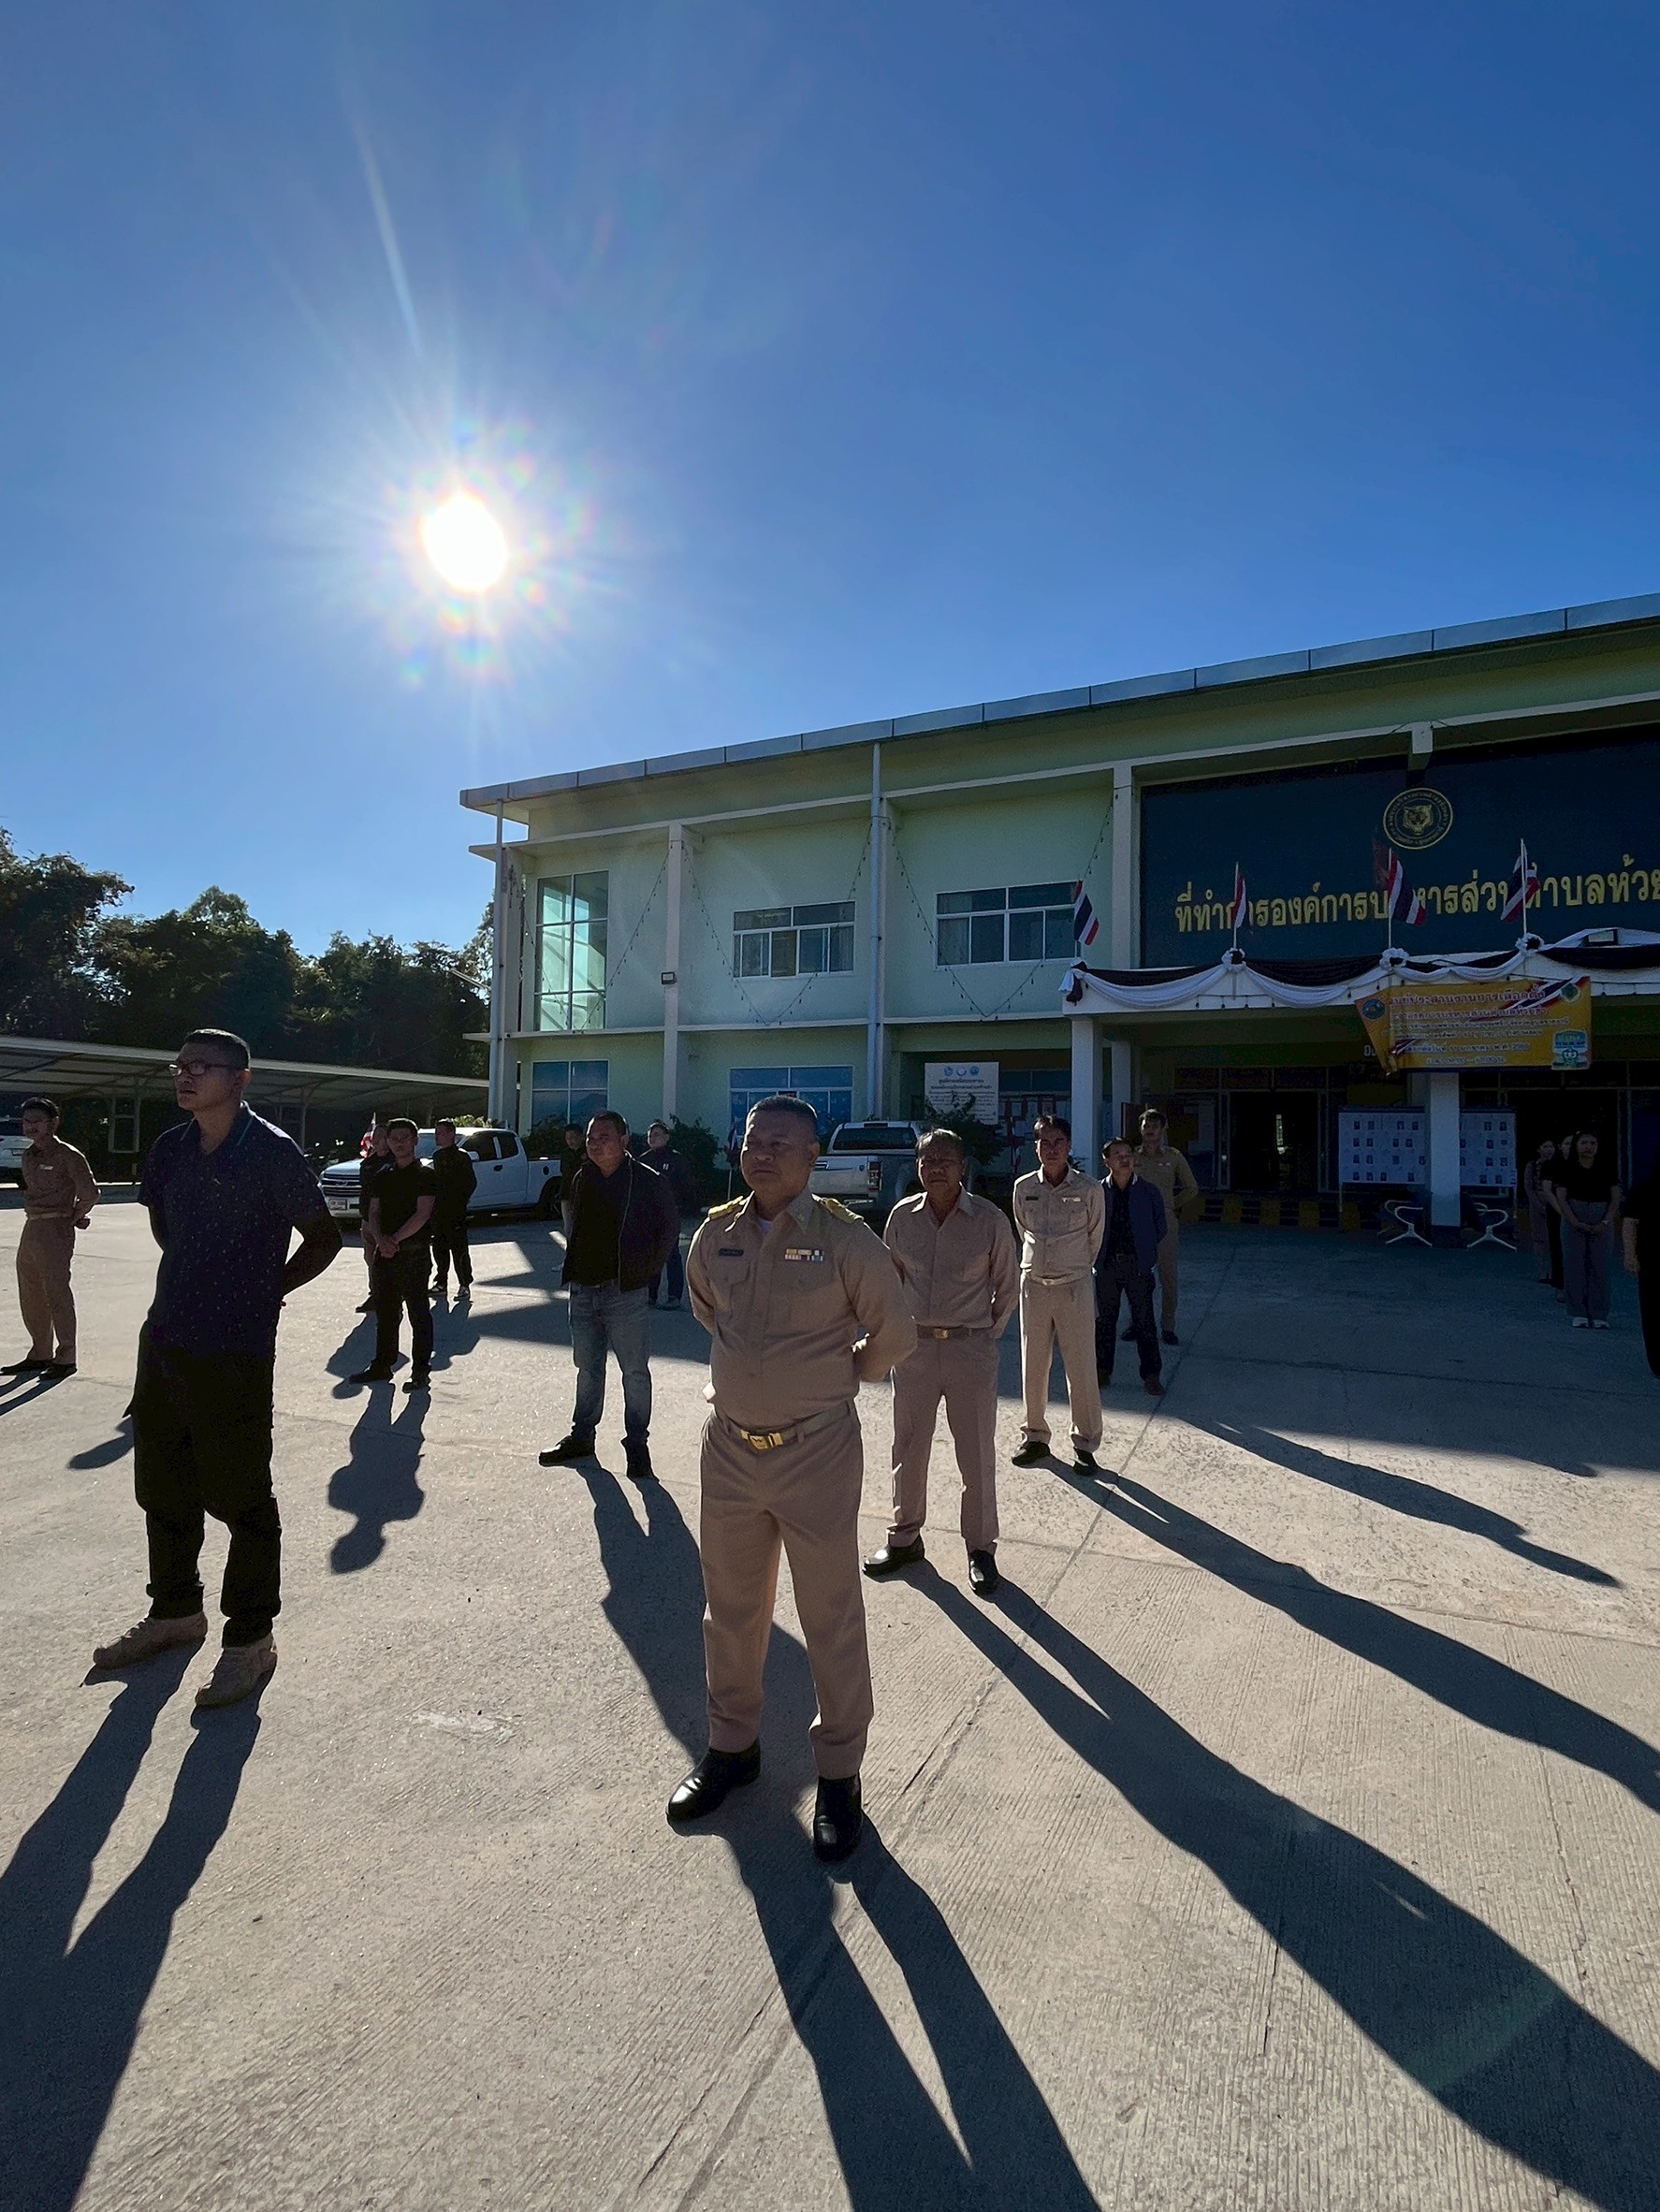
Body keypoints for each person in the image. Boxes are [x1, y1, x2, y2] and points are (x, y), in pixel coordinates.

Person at [669, 1096, 916, 1862]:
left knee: (829, 1614)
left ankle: (839, 1773)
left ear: (813, 1157)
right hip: (730, 1452)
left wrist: (833, 1377)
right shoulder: (716, 1233)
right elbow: (708, 1312)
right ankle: (732, 1747)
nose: (764, 1152)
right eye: (754, 1139)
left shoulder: (845, 1238)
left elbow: (894, 1333)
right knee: (730, 1611)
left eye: (781, 1142)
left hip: (816, 1453)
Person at [93, 1028, 341, 1708]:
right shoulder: (170, 1148)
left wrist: (264, 1290)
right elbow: (164, 1228)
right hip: (166, 1335)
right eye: (180, 1065)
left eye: (201, 1066)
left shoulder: (272, 1151)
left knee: (241, 1495)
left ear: (239, 1080)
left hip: (235, 1347)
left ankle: (251, 1639)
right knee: (162, 1485)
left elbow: (324, 1238)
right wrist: (195, 1276)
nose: (185, 1075)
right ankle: (175, 1611)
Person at [866, 1128, 1018, 1596]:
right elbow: (890, 1282)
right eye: (927, 1160)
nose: (935, 1169)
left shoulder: (989, 1220)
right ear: (917, 1167)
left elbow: (1007, 1285)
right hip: (914, 1350)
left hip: (970, 1349)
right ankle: (905, 1537)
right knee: (908, 1448)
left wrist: (984, 1336)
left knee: (975, 1452)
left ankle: (980, 1548)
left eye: (945, 1160)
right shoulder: (901, 1218)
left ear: (963, 1167)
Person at [539, 1112, 677, 1479]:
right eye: (591, 1138)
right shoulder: (583, 1177)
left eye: (604, 1137)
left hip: (624, 1291)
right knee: (587, 1369)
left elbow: (669, 1230)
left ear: (624, 1140)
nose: (595, 1144)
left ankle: (637, 1444)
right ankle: (582, 1436)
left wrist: (645, 1272)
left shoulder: (648, 1180)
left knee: (634, 1372)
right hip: (583, 1288)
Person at [1011, 1114, 1105, 1472]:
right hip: (1034, 1287)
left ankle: (1085, 1443)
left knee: (1081, 1367)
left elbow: (1094, 1238)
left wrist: (1070, 1264)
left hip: (1073, 1288)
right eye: (1044, 1143)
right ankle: (1035, 1436)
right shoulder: (1023, 1188)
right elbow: (1024, 1231)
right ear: (1035, 1147)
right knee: (1033, 1365)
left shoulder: (1089, 1189)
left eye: (1058, 1142)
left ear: (1069, 1146)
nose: (1051, 1150)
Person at [4, 1096, 98, 1379]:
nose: (30, 1126)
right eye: (26, 1121)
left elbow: (90, 1193)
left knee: (57, 1292)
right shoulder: (28, 1156)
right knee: (30, 1291)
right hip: (31, 1226)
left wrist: (73, 1216)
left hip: (55, 1228)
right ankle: (40, 1352)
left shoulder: (68, 1155)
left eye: (37, 1121)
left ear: (53, 1123)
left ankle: (66, 1355)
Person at [351, 1117, 437, 1390]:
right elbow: (373, 1211)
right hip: (385, 1254)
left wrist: (395, 1240)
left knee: (418, 1312)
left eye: (404, 1138)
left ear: (415, 1141)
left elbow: (423, 1213)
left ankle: (420, 1370)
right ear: (387, 1142)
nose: (399, 1143)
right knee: (386, 1313)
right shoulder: (382, 1174)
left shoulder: (425, 1174)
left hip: (414, 1253)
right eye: (394, 1138)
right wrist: (380, 1240)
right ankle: (382, 1365)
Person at [1095, 1138, 1168, 1398]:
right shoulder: (1098, 1192)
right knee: (1105, 1322)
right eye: (1118, 1155)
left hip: (1138, 1266)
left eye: (1128, 1154)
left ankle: (1151, 1375)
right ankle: (1101, 1371)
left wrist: (1146, 1254)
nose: (1124, 1159)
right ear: (1106, 1161)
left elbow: (1160, 1227)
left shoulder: (1148, 1191)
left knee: (1145, 1322)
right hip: (1107, 1266)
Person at [1125, 1108, 1198, 1345]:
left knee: (1168, 1277)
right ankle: (1137, 1323)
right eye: (1146, 1126)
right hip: (1136, 1222)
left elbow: (1191, 1187)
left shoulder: (1173, 1157)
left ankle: (1168, 1326)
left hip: (1164, 1222)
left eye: (1155, 1126)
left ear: (1163, 1129)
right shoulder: (1131, 1157)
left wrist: (1171, 1205)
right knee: (1136, 1277)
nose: (1150, 1131)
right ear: (1140, 1130)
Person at [1551, 1131, 1622, 1330]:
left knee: (1600, 1267)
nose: (1588, 1147)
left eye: (1592, 1143)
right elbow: (1561, 1197)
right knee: (1574, 1265)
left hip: (1601, 1215)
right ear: (1576, 1145)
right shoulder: (1567, 1167)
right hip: (1574, 1215)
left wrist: (1606, 1221)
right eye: (1584, 1143)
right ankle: (1578, 1312)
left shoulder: (1607, 1167)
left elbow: (1615, 1197)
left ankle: (1599, 1313)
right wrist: (1574, 1221)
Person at [644, 1118, 697, 1306]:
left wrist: (684, 1206)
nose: (652, 1138)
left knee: (671, 1253)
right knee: (651, 1254)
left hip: (670, 1213)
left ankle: (674, 1296)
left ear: (667, 1137)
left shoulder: (676, 1159)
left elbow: (686, 1185)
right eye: (650, 1135)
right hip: (649, 1214)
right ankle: (651, 1294)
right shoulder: (644, 1160)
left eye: (657, 1135)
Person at [429, 1119, 477, 1300]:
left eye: (440, 1133)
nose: (437, 1136)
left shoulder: (462, 1157)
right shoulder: (437, 1156)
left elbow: (471, 1182)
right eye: (436, 1133)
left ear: (451, 1134)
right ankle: (441, 1282)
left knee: (459, 1249)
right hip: (438, 1211)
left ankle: (464, 1284)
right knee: (439, 1248)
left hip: (456, 1211)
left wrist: (460, 1200)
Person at [1623, 1166, 1660, 1377]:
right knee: (1653, 1310)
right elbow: (1630, 1222)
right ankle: (1657, 1361)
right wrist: (1630, 1255)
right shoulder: (1644, 1190)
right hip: (1651, 1260)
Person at [356, 1124, 392, 1314]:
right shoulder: (367, 1164)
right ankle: (375, 1294)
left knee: (388, 1258)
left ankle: (392, 1294)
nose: (378, 1142)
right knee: (370, 1258)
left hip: (388, 1220)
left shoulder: (395, 1163)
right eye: (375, 1138)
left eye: (383, 1138)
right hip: (367, 1219)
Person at [1522, 1138, 1558, 1285]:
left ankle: (1555, 1270)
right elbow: (1528, 1187)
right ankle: (1541, 1270)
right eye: (1545, 1146)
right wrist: (1537, 1205)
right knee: (1539, 1238)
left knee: (1554, 1238)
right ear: (1539, 1149)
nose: (1549, 1149)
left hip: (1555, 1202)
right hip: (1537, 1201)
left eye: (1551, 1146)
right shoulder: (1532, 1165)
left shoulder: (1559, 1165)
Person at [558, 1123, 586, 1240]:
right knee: (568, 1226)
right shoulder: (565, 1153)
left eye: (573, 1137)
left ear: (581, 1137)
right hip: (567, 1193)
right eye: (568, 1138)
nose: (570, 1141)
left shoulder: (588, 1152)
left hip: (584, 1193)